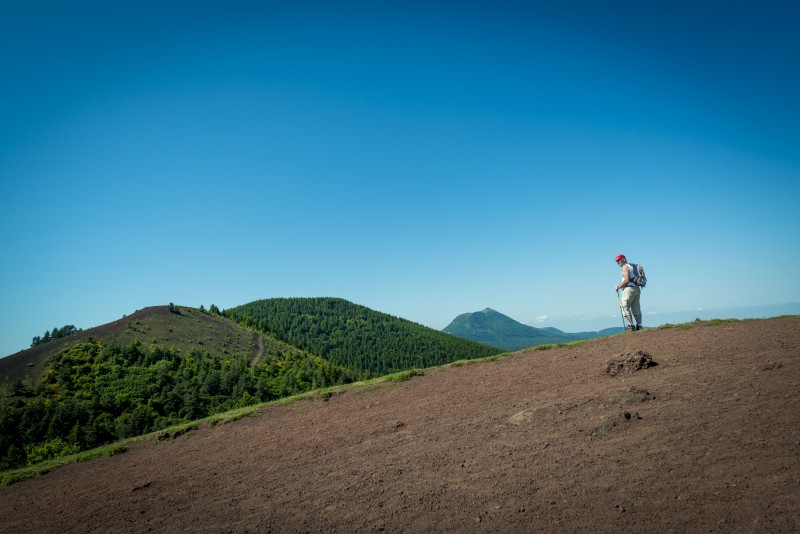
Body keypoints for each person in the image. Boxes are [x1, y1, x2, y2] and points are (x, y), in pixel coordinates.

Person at [614, 254, 642, 331]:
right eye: (617, 261)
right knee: (636, 307)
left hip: (628, 289)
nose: (618, 262)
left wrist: (618, 286)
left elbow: (626, 280)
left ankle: (630, 326)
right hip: (636, 289)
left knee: (624, 307)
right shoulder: (632, 266)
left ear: (624, 259)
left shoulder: (625, 267)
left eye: (619, 260)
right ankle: (639, 325)